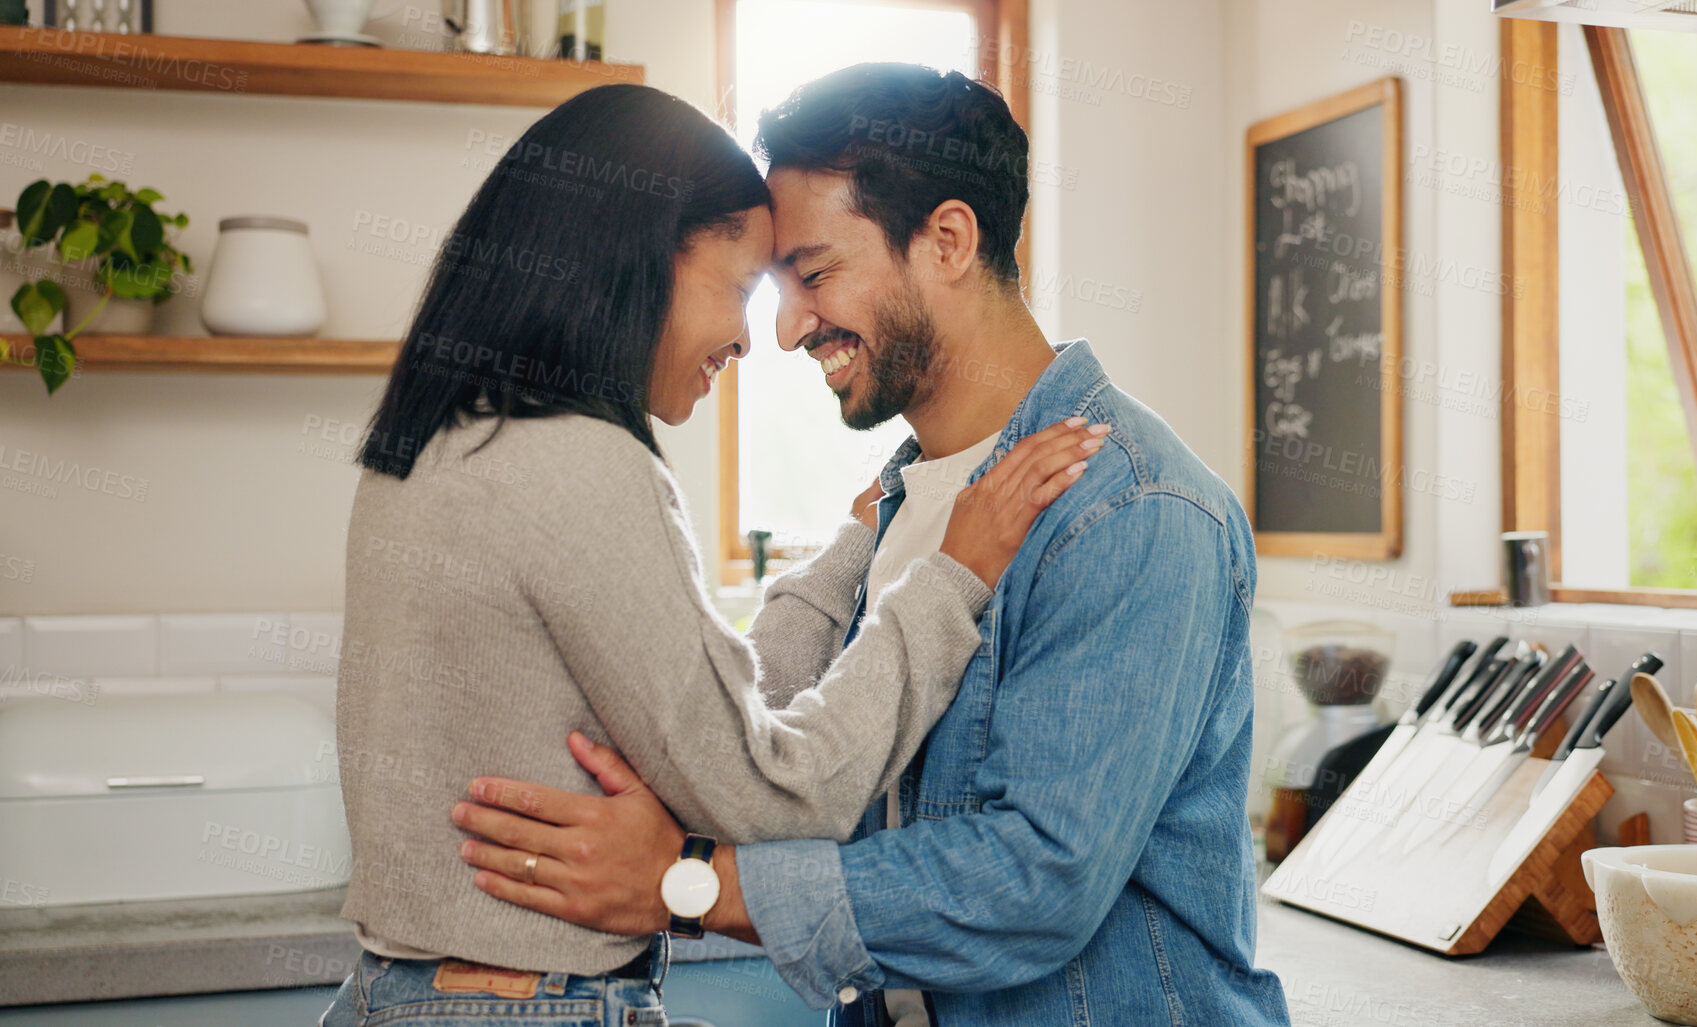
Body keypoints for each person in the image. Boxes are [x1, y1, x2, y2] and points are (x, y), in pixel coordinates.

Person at [453, 64, 1292, 1026]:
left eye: (812, 276)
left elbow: (1037, 879)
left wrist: (691, 883)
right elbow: (814, 767)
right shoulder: (901, 500)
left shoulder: (1133, 508)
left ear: (947, 240)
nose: (788, 329)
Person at [318, 82, 1101, 1027]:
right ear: (635, 259)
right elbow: (775, 791)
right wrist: (950, 578)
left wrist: (852, 547)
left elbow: (698, 730)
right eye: (739, 289)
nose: (750, 336)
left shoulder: (438, 444)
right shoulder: (580, 464)